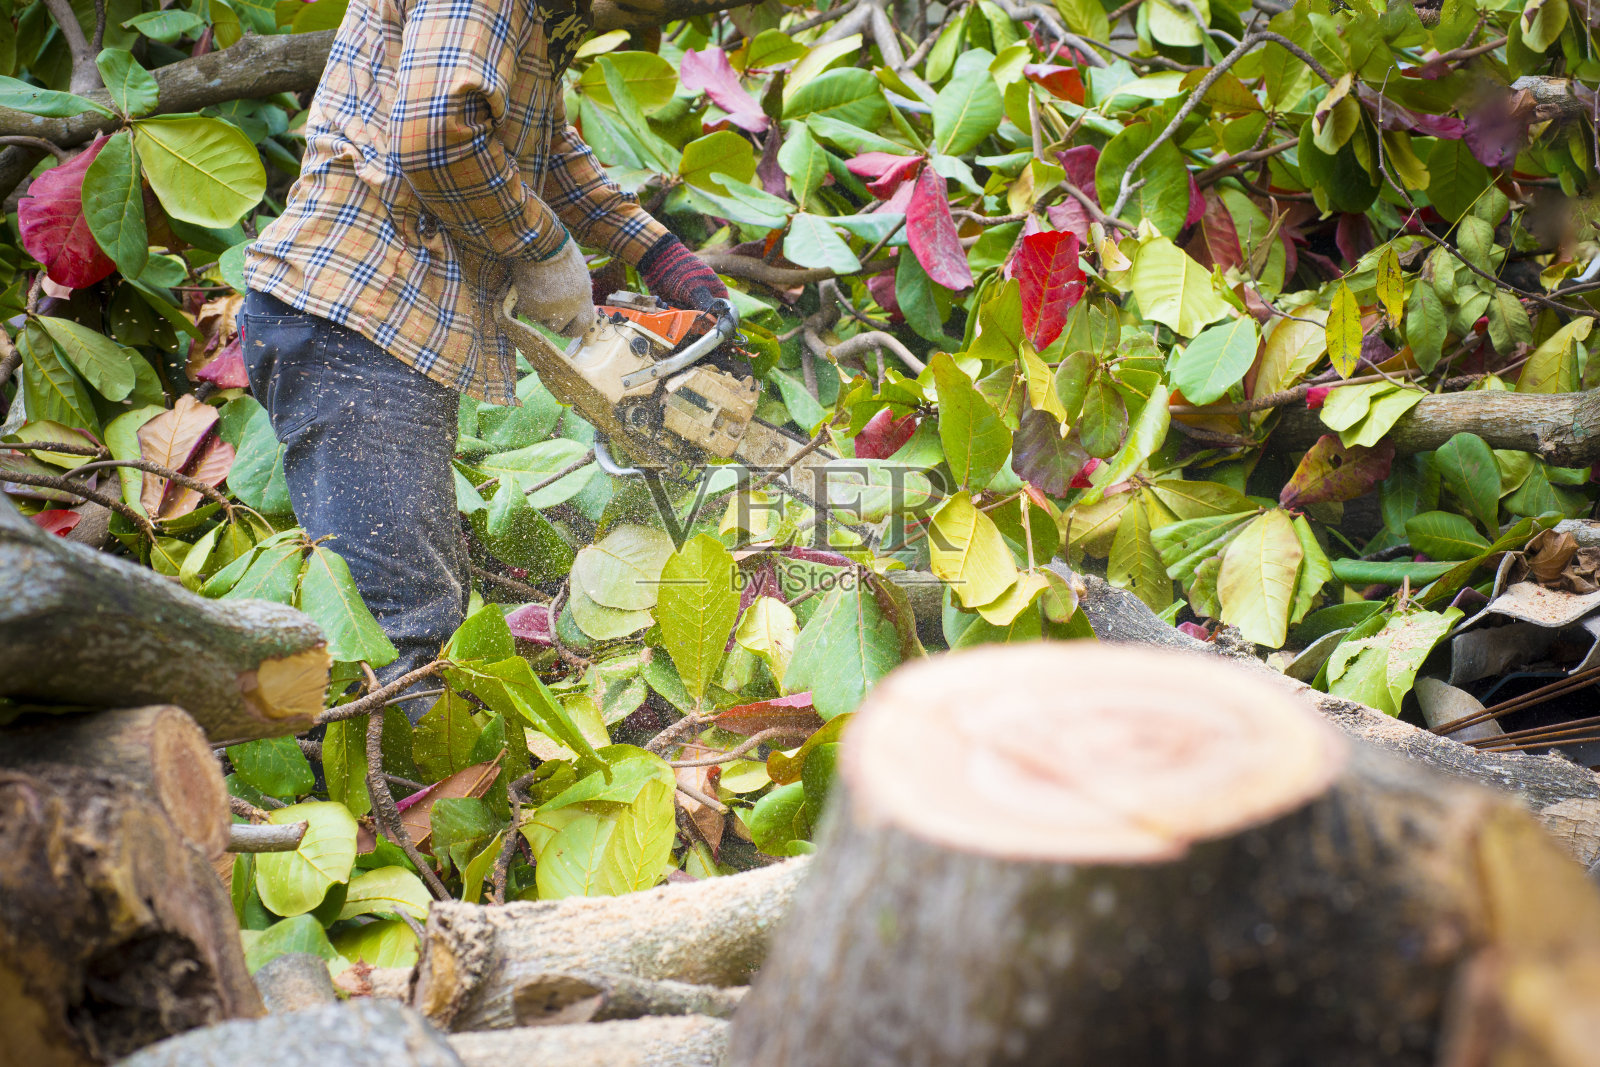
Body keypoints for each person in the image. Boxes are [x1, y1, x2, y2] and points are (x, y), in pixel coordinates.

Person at [241, 0, 726, 716]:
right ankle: (372, 815)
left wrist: (661, 255)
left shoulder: (545, 16)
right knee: (401, 637)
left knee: (406, 615)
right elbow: (436, 130)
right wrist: (542, 248)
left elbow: (542, 149)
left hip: (380, 331)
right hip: (355, 320)